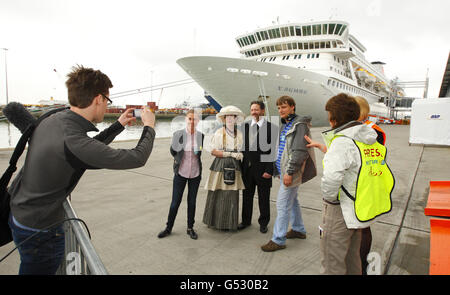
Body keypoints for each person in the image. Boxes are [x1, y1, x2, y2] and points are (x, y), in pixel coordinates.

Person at [7, 65, 156, 275]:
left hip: (20, 215)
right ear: (98, 99)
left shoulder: (54, 118)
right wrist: (149, 127)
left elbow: (85, 150)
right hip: (40, 231)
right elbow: (137, 157)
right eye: (108, 101)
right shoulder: (74, 140)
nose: (107, 106)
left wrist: (118, 125)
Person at [319, 93, 394, 275]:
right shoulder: (369, 139)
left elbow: (331, 179)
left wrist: (330, 199)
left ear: (334, 118)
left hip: (340, 208)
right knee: (353, 260)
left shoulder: (342, 142)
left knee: (332, 261)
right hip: (359, 207)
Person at [261, 96, 317, 252]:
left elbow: (299, 151)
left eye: (284, 107)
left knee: (282, 205)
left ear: (293, 107)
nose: (280, 110)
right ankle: (299, 229)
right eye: (278, 108)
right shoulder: (285, 124)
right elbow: (280, 148)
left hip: (291, 171)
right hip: (283, 170)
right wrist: (274, 169)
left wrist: (290, 172)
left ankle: (278, 239)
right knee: (292, 202)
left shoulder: (299, 125)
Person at [158, 109, 204, 240]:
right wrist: (178, 159)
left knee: (192, 202)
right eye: (190, 119)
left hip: (195, 173)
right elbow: (173, 151)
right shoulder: (178, 134)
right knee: (175, 202)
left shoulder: (201, 136)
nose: (192, 121)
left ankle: (190, 228)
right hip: (181, 172)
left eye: (195, 119)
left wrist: (197, 150)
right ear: (186, 120)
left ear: (198, 121)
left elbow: (200, 151)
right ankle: (168, 228)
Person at [202, 106, 246, 231]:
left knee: (232, 194)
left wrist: (239, 154)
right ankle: (215, 221)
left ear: (236, 119)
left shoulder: (240, 134)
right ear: (224, 118)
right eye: (227, 116)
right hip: (220, 164)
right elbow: (214, 151)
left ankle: (230, 223)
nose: (230, 119)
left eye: (233, 116)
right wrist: (230, 154)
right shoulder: (219, 133)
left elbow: (241, 149)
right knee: (218, 192)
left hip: (235, 165)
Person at [239, 101, 276, 234]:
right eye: (252, 110)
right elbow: (242, 149)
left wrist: (269, 170)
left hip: (263, 170)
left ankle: (263, 223)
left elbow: (272, 151)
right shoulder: (245, 126)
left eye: (256, 110)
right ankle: (245, 221)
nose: (254, 112)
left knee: (263, 198)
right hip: (247, 170)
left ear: (262, 111)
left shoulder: (271, 128)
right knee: (246, 197)